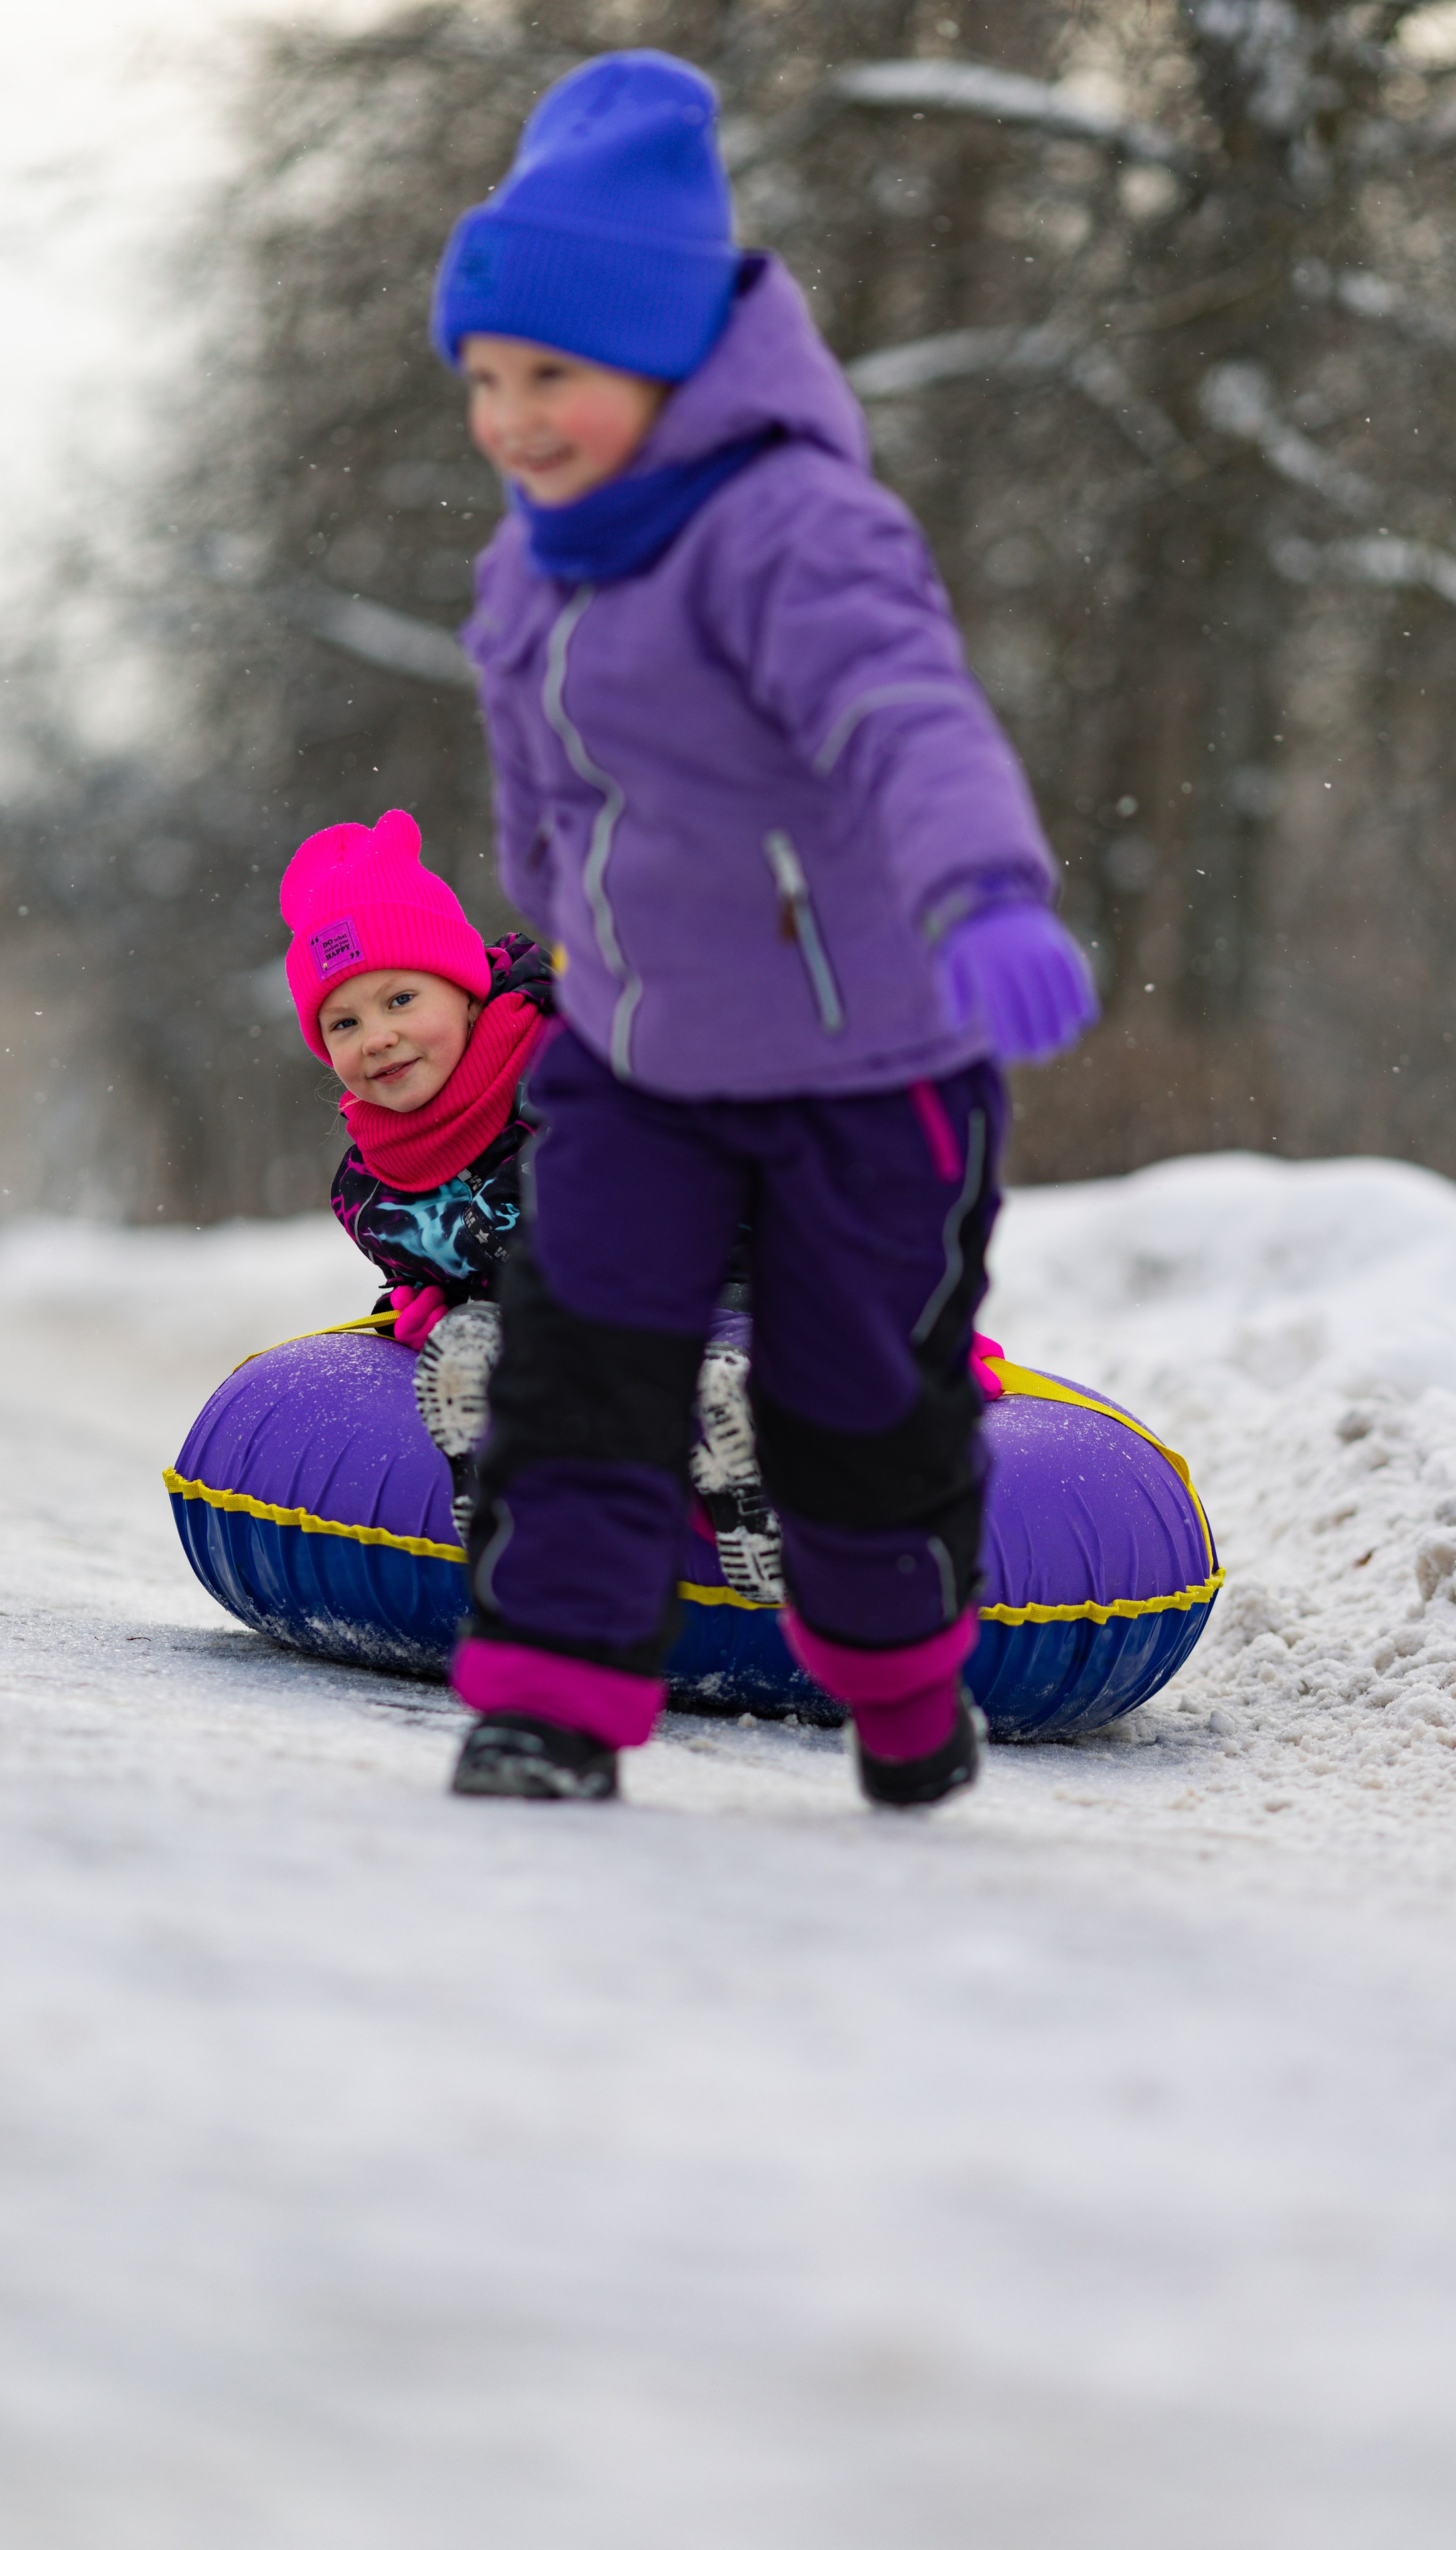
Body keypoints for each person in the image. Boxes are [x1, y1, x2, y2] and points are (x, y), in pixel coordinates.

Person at [428, 49, 1099, 1809]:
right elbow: (542, 788)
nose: (511, 421)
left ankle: (897, 1681)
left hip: (868, 1071)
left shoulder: (794, 528)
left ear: (662, 358)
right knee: (581, 1372)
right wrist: (558, 943)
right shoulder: (529, 565)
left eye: (551, 375)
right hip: (639, 1064)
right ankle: (548, 1708)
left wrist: (986, 895)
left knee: (850, 1410)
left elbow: (908, 714)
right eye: (485, 381)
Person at [280, 808, 554, 1344]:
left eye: (401, 1000)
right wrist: (423, 1306)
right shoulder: (372, 1184)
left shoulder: (559, 1066)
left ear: (468, 993)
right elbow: (429, 1271)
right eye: (345, 1024)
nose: (376, 1038)